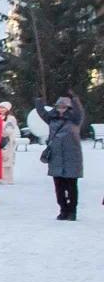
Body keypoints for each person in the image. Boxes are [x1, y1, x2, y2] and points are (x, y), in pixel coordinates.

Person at [35, 92, 83, 221]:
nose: (61, 109)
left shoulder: (75, 119)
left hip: (72, 156)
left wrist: (75, 98)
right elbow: (42, 113)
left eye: (64, 107)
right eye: (58, 107)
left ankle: (72, 211)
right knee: (59, 187)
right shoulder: (52, 118)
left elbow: (79, 111)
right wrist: (39, 100)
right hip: (56, 156)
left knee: (72, 186)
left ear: (68, 108)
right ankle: (63, 209)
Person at [0, 101, 20, 185]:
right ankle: (0, 176)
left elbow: (9, 130)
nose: (1, 109)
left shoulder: (11, 118)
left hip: (7, 141)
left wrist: (0, 133)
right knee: (0, 158)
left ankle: (8, 178)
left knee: (7, 159)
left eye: (3, 108)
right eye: (0, 107)